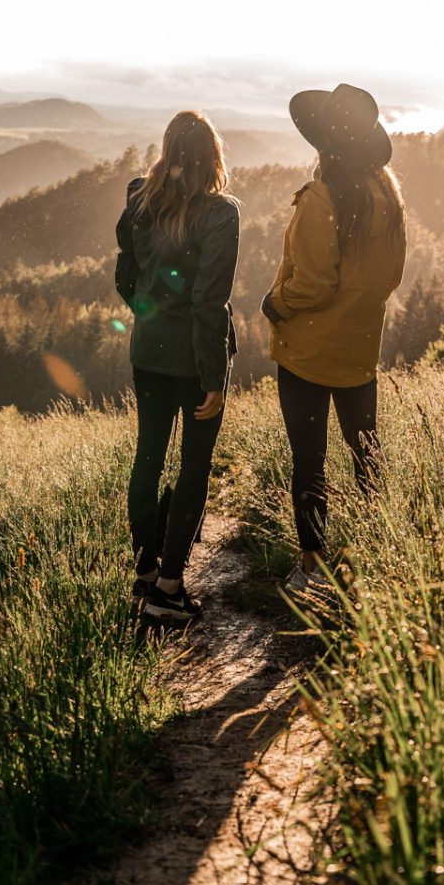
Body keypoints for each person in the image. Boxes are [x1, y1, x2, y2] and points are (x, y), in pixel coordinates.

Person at [262, 84, 406, 593]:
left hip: (307, 352)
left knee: (309, 458)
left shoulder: (321, 198)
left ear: (324, 145)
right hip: (360, 348)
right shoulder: (387, 195)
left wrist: (274, 305)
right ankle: (383, 547)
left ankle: (311, 567)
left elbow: (313, 282)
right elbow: (391, 277)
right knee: (366, 452)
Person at [115, 111, 239, 622]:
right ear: (213, 156)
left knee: (148, 457)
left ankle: (146, 575)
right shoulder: (221, 213)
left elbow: (125, 276)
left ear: (168, 150)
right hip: (194, 359)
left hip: (149, 353)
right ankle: (169, 589)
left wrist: (151, 318)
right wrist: (212, 375)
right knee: (193, 467)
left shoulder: (139, 197)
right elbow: (209, 302)